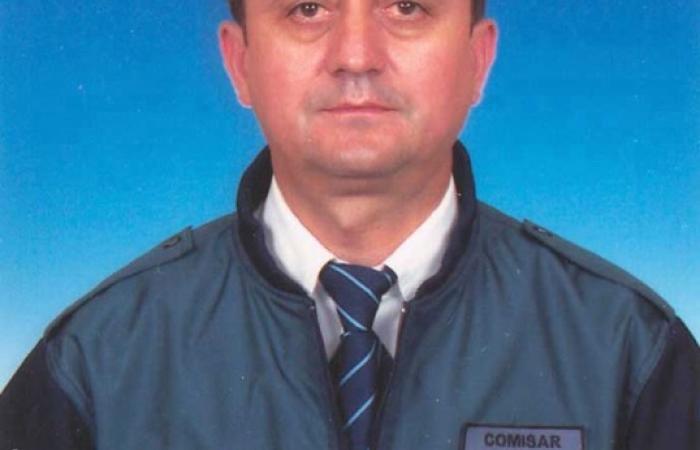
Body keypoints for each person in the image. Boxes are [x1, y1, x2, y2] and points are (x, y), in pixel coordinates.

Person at [1, 0, 698, 448]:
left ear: (478, 60)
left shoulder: (630, 352)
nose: (356, 56)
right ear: (241, 63)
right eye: (307, 9)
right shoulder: (94, 362)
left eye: (406, 6)